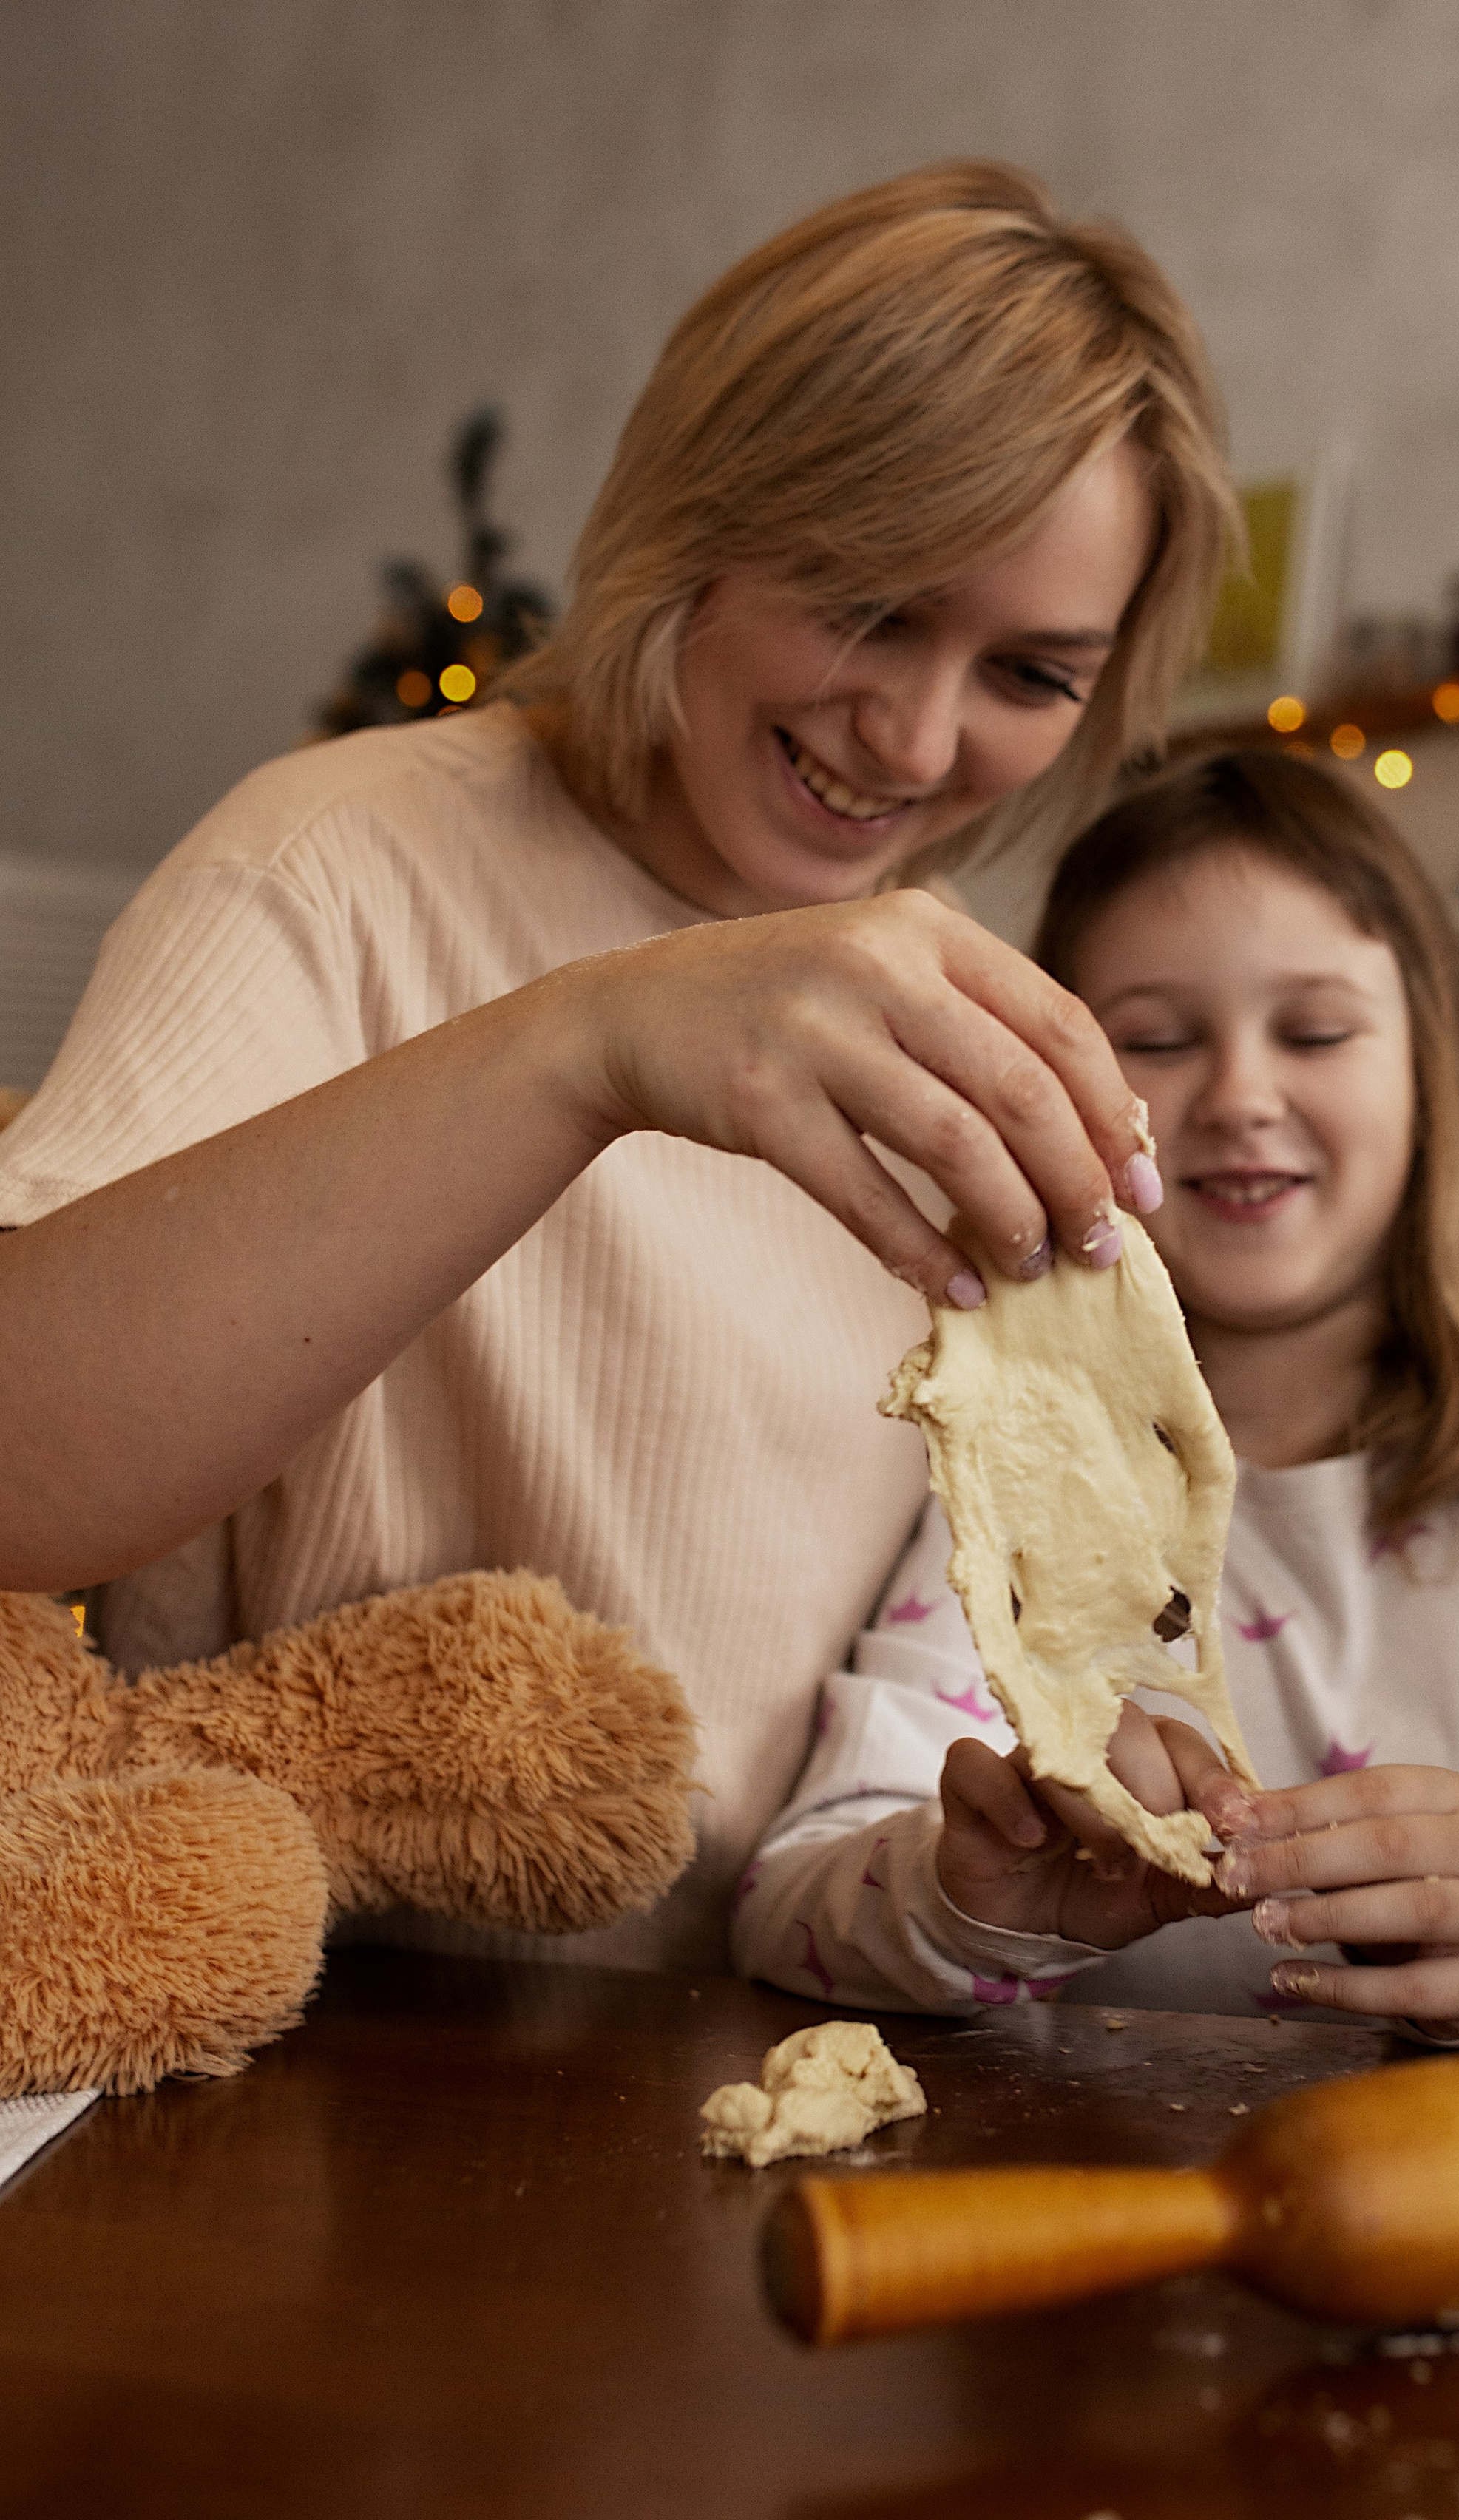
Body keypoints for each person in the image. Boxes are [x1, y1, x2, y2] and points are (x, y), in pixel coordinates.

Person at [0, 163, 1237, 1968]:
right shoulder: (331, 863)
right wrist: (586, 1046)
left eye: (1031, 675)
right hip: (302, 2038)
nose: (916, 740)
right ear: (699, 520)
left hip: (772, 2045)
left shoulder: (971, 1039)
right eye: (868, 606)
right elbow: (23, 1469)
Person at [737, 750, 1459, 2055]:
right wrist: (967, 1897)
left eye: (1314, 1033)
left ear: (1440, 1066)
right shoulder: (1024, 1465)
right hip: (1192, 2163)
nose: (1242, 1098)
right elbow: (790, 1901)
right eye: (1155, 1040)